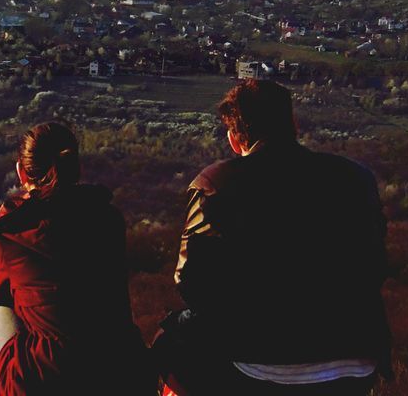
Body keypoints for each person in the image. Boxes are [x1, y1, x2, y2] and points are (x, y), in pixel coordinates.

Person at [152, 79, 391, 396]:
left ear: (234, 139)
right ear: (293, 124)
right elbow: (375, 265)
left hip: (257, 361)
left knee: (168, 344)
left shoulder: (217, 183)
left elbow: (193, 283)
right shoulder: (355, 178)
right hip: (357, 356)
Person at [0, 122, 154, 396]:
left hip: (46, 377)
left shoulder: (9, 229)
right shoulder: (108, 218)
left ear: (21, 172)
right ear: (76, 167)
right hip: (120, 369)